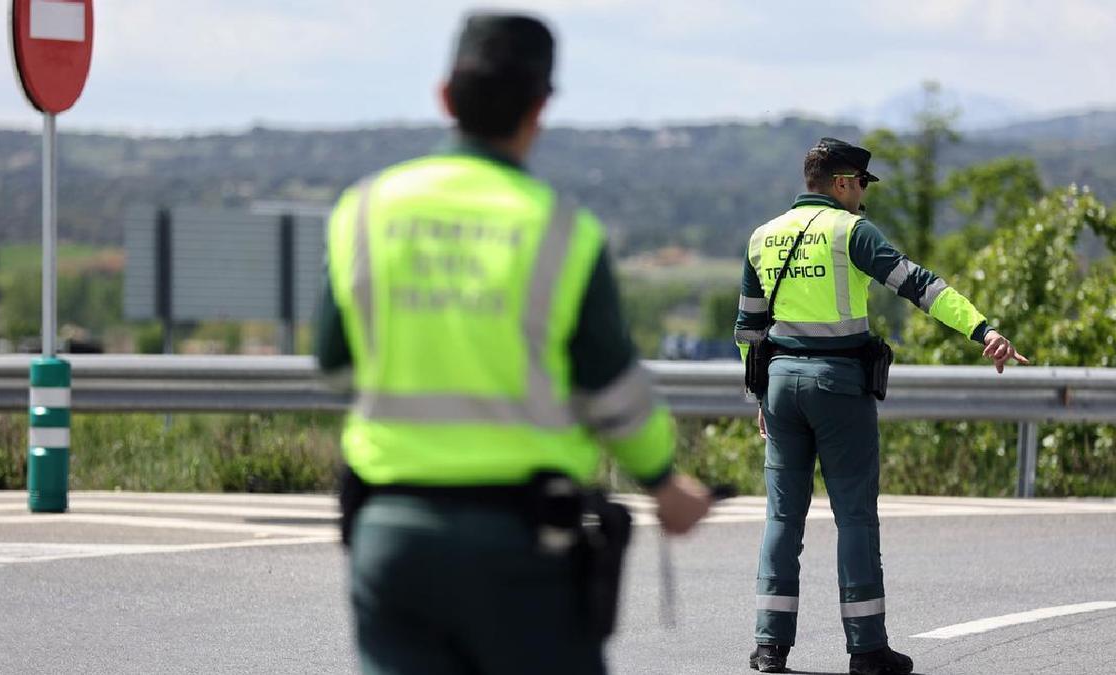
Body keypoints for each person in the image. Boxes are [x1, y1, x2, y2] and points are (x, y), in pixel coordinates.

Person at [316, 12, 712, 675]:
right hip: (522, 547)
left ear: (445, 97)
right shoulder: (561, 231)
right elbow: (612, 390)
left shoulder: (365, 209)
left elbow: (334, 366)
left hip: (392, 535)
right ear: (540, 108)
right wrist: (664, 480)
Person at [733, 138, 1028, 675]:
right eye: (862, 186)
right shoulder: (851, 232)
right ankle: (866, 650)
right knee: (855, 519)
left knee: (781, 517)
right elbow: (920, 285)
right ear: (843, 182)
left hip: (779, 385)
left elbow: (748, 330)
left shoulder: (762, 237)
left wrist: (759, 398)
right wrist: (983, 330)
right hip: (839, 387)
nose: (862, 198)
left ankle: (769, 647)